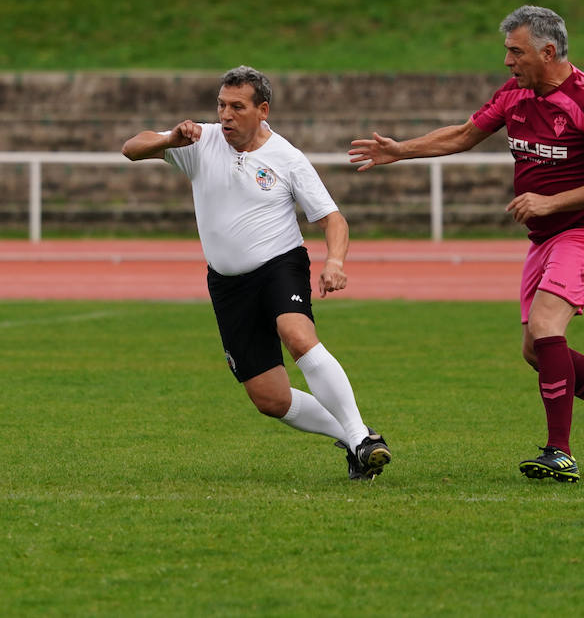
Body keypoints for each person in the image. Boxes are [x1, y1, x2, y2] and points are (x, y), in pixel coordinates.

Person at [350, 5, 584, 482]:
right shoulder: (515, 94)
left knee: (546, 326)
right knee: (536, 350)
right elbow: (464, 134)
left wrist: (550, 203)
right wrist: (400, 150)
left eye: (515, 52)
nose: (508, 61)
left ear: (548, 51)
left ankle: (560, 452)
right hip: (547, 234)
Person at [121, 65, 392, 481]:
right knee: (270, 399)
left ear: (262, 110)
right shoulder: (200, 141)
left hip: (279, 265)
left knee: (298, 336)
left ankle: (357, 436)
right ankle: (359, 438)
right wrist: (169, 139)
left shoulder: (287, 158)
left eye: (237, 107)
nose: (225, 115)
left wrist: (334, 261)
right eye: (221, 105)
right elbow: (131, 148)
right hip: (227, 284)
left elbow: (333, 219)